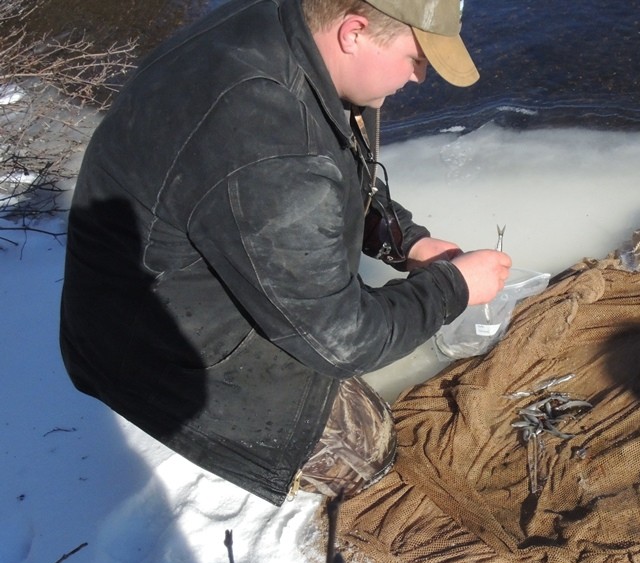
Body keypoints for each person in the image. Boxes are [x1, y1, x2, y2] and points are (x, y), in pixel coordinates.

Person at [59, 0, 511, 505]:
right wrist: (454, 288)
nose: (420, 77)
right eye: (416, 56)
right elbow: (345, 341)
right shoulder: (270, 136)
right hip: (152, 352)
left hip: (163, 274)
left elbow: (330, 177)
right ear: (354, 32)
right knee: (369, 448)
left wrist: (404, 239)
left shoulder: (284, 22)